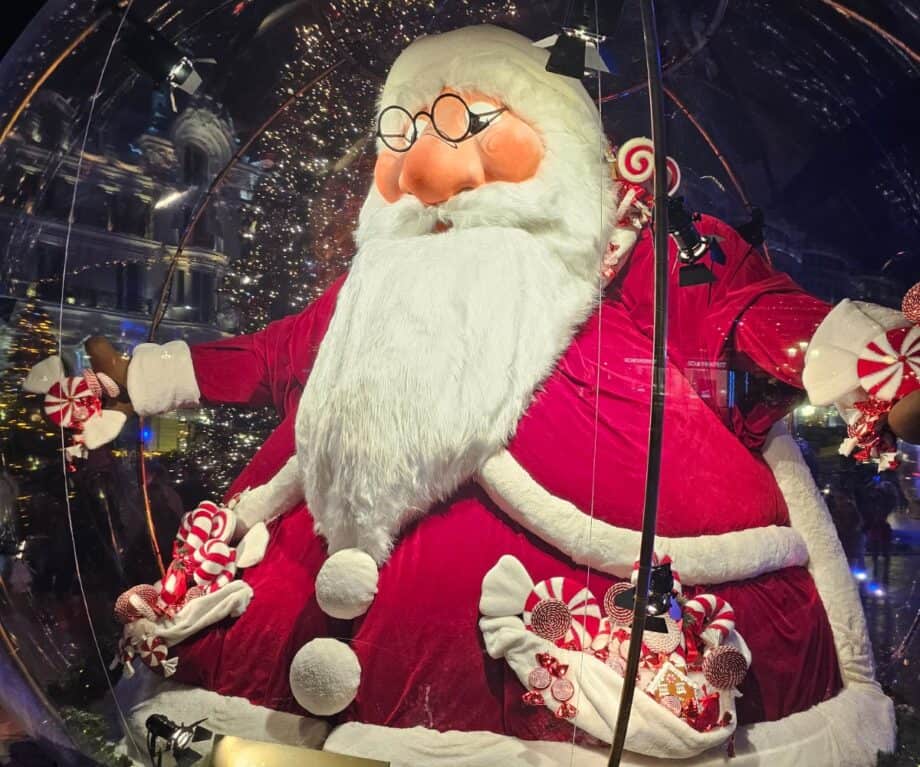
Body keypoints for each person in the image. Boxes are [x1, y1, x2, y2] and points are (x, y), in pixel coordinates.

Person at [88, 24, 912, 767]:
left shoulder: (629, 251)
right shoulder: (372, 287)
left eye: (464, 122)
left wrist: (876, 360)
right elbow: (275, 353)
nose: (423, 170)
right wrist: (148, 377)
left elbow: (741, 308)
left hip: (592, 573)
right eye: (403, 131)